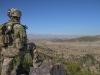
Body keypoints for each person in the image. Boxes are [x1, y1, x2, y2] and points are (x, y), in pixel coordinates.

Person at [0, 8, 39, 75]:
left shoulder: (3, 26)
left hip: (4, 52)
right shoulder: (18, 26)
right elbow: (24, 41)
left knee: (5, 70)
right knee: (32, 45)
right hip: (16, 51)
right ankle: (36, 65)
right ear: (18, 16)